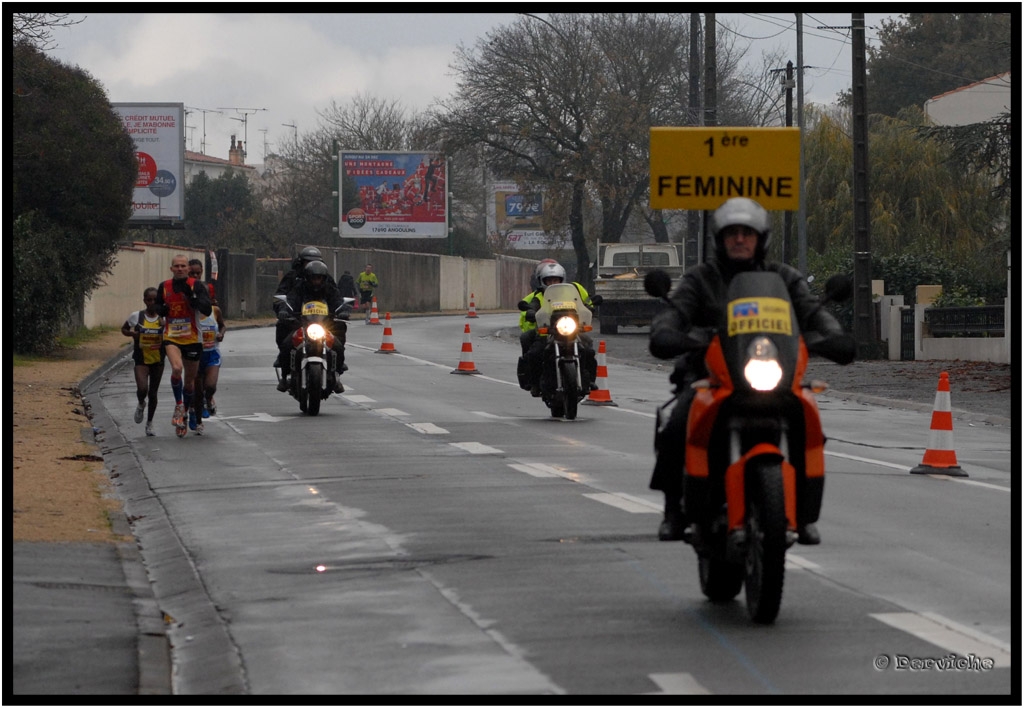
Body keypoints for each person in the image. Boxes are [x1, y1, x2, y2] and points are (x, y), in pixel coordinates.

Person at [647, 197, 854, 544]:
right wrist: (667, 331)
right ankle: (674, 509)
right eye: (732, 233)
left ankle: (803, 514)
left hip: (772, 372)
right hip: (709, 374)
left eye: (747, 233)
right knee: (678, 423)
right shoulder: (701, 278)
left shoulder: (783, 277)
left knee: (808, 420)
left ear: (761, 239)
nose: (739, 240)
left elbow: (812, 312)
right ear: (719, 239)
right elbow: (676, 312)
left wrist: (833, 337)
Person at [519, 260, 599, 397]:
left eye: (556, 280)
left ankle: (589, 380)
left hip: (572, 330)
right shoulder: (539, 296)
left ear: (562, 279)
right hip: (549, 332)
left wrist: (590, 306)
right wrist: (531, 312)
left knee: (588, 350)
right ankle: (535, 383)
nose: (552, 283)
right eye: (549, 281)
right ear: (542, 281)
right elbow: (532, 306)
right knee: (535, 353)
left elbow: (585, 303)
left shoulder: (572, 293)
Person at [155, 253, 213, 438]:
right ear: (171, 269)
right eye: (176, 266)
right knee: (177, 368)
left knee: (189, 382)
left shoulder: (196, 285)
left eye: (183, 266)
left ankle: (185, 414)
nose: (180, 269)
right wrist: (161, 310)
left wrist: (193, 298)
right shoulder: (164, 286)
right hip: (172, 336)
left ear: (188, 269)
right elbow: (157, 306)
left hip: (193, 338)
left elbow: (207, 308)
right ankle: (179, 405)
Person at [278, 260, 347, 394]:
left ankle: (337, 376)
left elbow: (338, 301)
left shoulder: (329, 289)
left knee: (338, 346)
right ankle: (285, 377)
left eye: (319, 278)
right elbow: (291, 300)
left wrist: (343, 310)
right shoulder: (300, 288)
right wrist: (284, 310)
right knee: (286, 345)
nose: (316, 281)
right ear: (307, 278)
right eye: (313, 278)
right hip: (303, 325)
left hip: (324, 325)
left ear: (323, 278)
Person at [274, 247, 330, 380]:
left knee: (338, 339)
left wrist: (341, 310)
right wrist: (283, 309)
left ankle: (337, 368)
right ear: (301, 262)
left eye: (316, 262)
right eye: (307, 262)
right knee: (286, 338)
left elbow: (336, 297)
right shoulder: (296, 281)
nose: (312, 266)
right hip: (298, 319)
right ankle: (285, 370)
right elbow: (286, 297)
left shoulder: (326, 280)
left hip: (324, 320)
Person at [121, 287, 165, 436]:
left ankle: (150, 423)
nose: (152, 303)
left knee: (153, 393)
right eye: (149, 300)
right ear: (144, 301)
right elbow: (124, 329)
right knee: (142, 389)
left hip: (158, 358)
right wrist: (133, 334)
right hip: (141, 358)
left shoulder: (163, 318)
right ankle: (141, 403)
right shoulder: (136, 316)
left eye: (155, 300)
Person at [192, 285, 226, 432]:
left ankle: (209, 398)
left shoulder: (215, 311)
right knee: (197, 391)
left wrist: (221, 334)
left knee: (210, 386)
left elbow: (222, 326)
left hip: (212, 354)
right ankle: (199, 421)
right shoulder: (191, 312)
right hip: (195, 356)